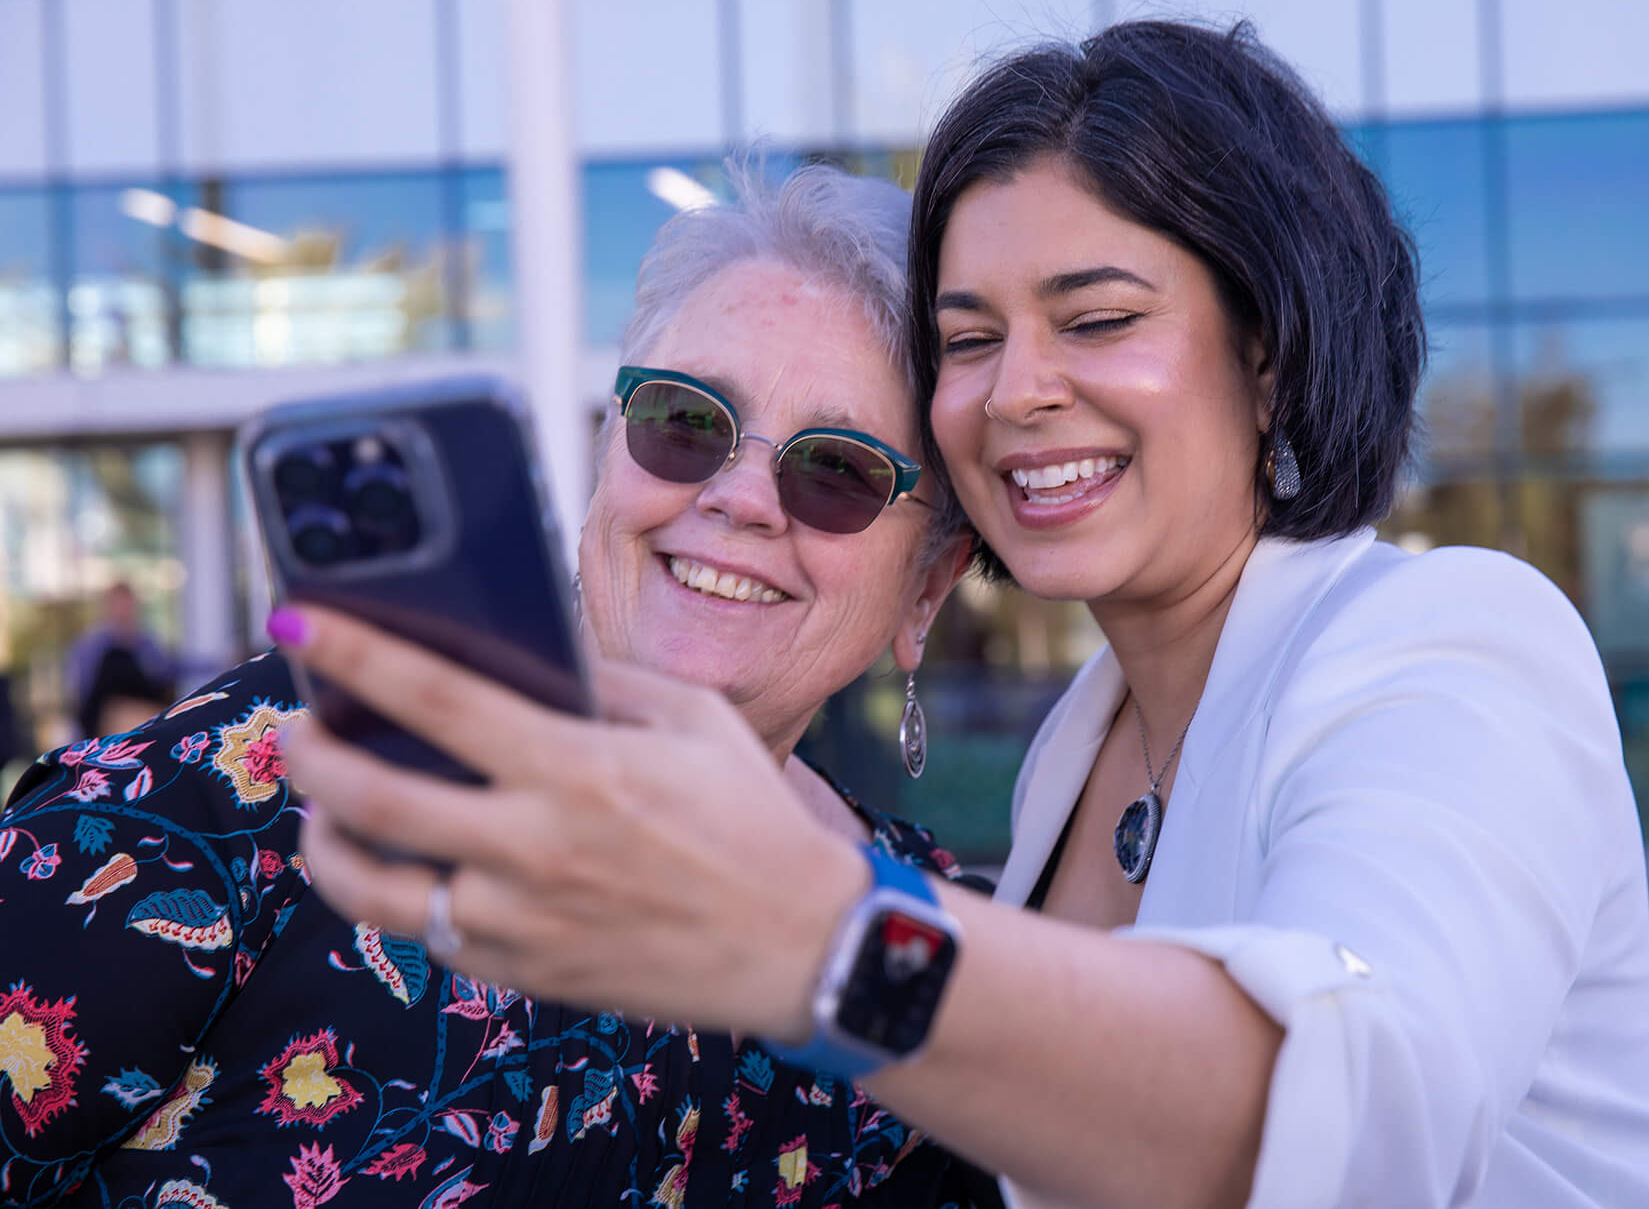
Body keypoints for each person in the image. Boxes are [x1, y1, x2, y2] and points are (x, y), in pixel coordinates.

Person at [278, 21, 1649, 1208]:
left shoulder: (1453, 638)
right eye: (968, 339)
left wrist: (815, 935)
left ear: (1269, 353)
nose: (1016, 390)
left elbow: (1353, 1122)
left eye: (1097, 320)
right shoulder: (1069, 764)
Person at [0, 165, 998, 1207]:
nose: (739, 497)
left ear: (925, 587)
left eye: (838, 470)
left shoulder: (927, 956)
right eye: (686, 422)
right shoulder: (270, 774)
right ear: (607, 458)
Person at [63, 580, 175, 735]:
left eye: (127, 606)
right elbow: (81, 690)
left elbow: (166, 671)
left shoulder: (146, 642)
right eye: (118, 605)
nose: (123, 611)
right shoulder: (91, 645)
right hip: (105, 713)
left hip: (140, 707)